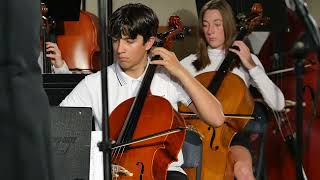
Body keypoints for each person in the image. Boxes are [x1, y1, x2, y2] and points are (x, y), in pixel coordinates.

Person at [60, 3, 224, 179]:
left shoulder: (168, 78)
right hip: (113, 172)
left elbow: (216, 118)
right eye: (116, 40)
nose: (120, 49)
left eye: (130, 41)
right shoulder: (94, 83)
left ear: (149, 42)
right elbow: (60, 127)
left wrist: (182, 73)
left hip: (166, 172)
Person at [180, 0, 285, 179]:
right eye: (205, 25)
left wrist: (251, 66)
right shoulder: (188, 64)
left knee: (243, 170)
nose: (210, 31)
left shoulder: (244, 59)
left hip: (231, 136)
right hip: (194, 136)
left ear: (228, 25)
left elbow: (278, 103)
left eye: (217, 24)